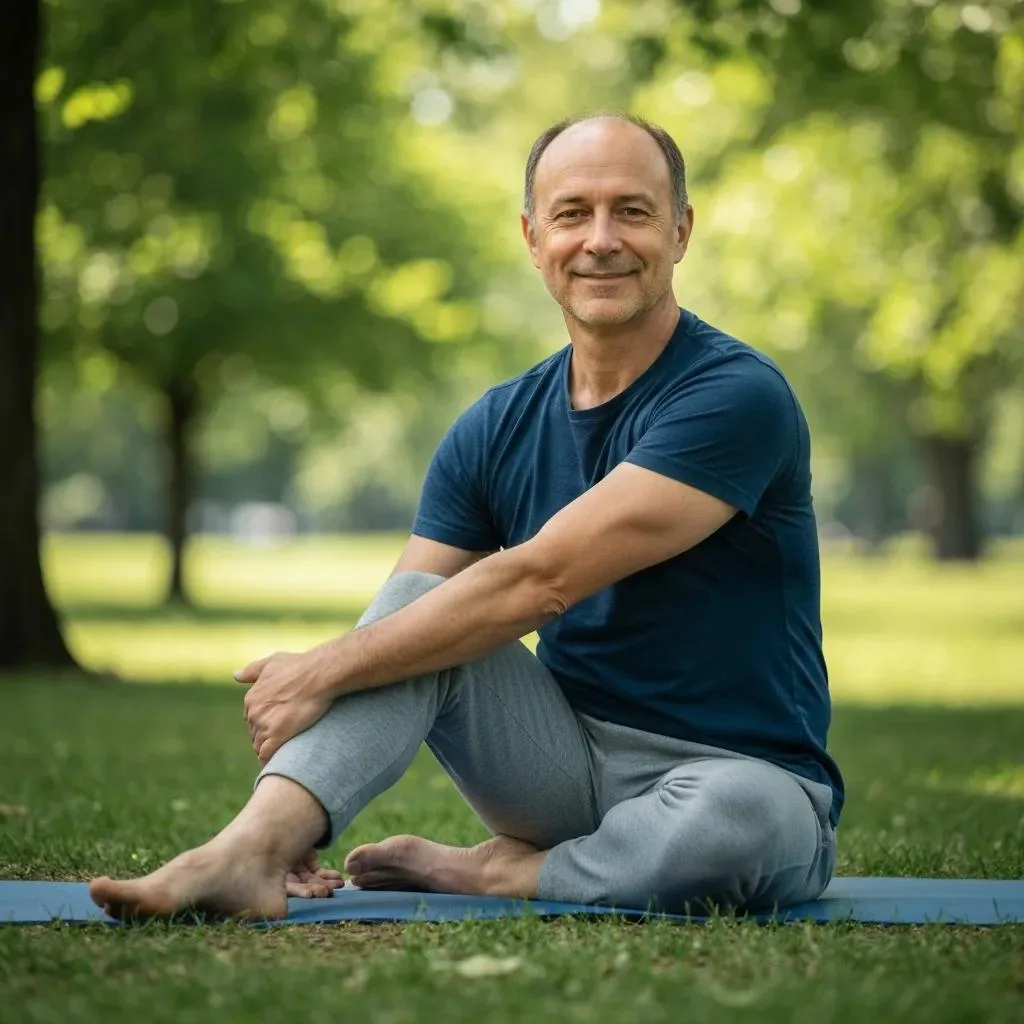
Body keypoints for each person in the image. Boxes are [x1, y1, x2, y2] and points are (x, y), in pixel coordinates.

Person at [90, 113, 844, 921]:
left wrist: (319, 668)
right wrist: (306, 795)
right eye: (570, 213)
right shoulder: (495, 426)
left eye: (633, 210)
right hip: (562, 768)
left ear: (681, 230)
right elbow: (408, 616)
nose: (601, 239)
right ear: (531, 237)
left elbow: (542, 579)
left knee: (729, 829)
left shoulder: (737, 397)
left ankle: (491, 873)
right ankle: (251, 850)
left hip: (738, 777)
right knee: (419, 610)